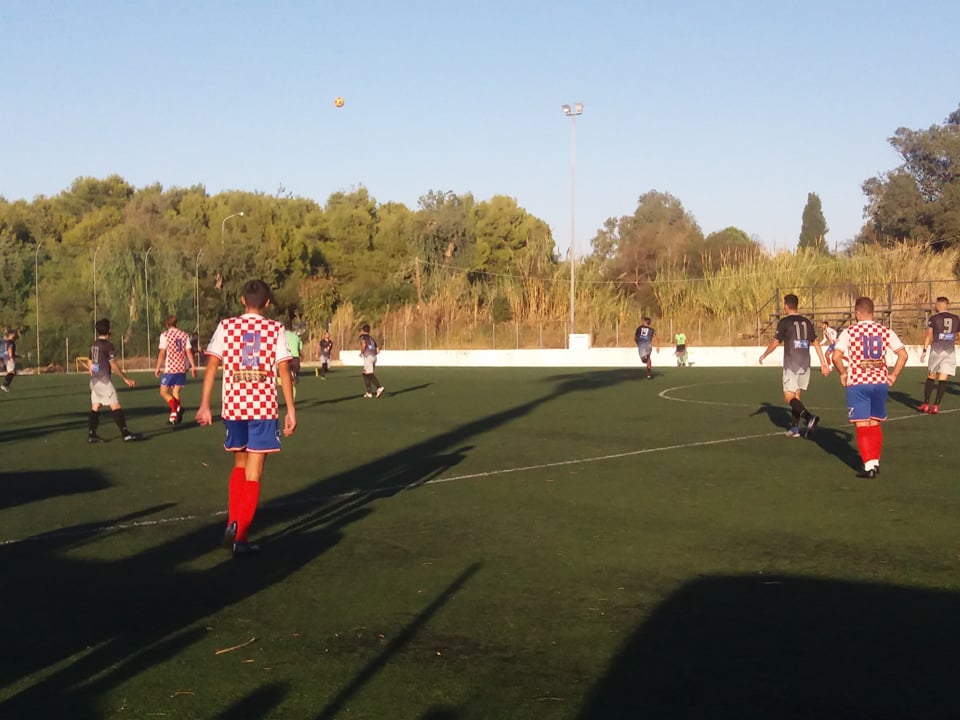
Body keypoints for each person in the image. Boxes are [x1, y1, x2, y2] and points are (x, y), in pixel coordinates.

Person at [197, 279, 296, 557]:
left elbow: (212, 365)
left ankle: (233, 524)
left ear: (242, 300)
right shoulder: (275, 329)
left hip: (234, 406)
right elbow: (284, 370)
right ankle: (240, 538)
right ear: (267, 302)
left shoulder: (226, 326)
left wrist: (205, 405)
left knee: (240, 463)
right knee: (255, 472)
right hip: (262, 407)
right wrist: (290, 409)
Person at [832, 296, 908, 478]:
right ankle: (874, 461)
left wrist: (842, 373)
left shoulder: (850, 332)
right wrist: (894, 375)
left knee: (861, 424)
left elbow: (836, 357)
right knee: (874, 422)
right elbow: (903, 355)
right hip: (879, 382)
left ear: (857, 313)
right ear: (872, 312)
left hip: (858, 382)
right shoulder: (885, 331)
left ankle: (868, 467)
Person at [758, 293, 830, 438]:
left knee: (788, 397)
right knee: (796, 396)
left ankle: (809, 417)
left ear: (786, 306)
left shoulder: (784, 322)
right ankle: (795, 428)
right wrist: (824, 363)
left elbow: (775, 342)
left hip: (791, 364)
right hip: (805, 363)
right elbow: (816, 342)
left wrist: (764, 354)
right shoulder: (806, 321)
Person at [87, 319, 141, 443]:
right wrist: (126, 379)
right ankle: (125, 433)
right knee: (116, 405)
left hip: (94, 381)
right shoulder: (108, 345)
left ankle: (92, 434)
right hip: (104, 382)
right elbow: (113, 365)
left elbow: (89, 362)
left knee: (96, 406)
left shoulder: (94, 345)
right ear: (108, 330)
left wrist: (94, 375)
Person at [918, 296, 960, 414]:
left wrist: (924, 350)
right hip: (950, 351)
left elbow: (929, 335)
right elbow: (959, 335)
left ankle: (926, 404)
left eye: (936, 304)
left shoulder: (934, 318)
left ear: (939, 305)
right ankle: (936, 405)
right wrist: (951, 340)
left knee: (932, 375)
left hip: (936, 350)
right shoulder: (956, 318)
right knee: (943, 377)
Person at [154, 315, 197, 425]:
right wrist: (193, 366)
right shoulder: (184, 335)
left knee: (163, 392)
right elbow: (189, 352)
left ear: (166, 324)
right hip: (182, 368)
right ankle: (173, 417)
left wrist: (158, 367)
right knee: (175, 392)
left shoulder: (165, 335)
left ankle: (176, 409)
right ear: (176, 323)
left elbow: (162, 352)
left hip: (171, 368)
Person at [359, 323, 384, 398]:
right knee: (365, 374)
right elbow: (378, 350)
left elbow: (364, 344)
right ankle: (369, 392)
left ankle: (379, 387)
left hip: (368, 357)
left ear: (362, 330)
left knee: (369, 374)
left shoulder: (362, 336)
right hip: (374, 357)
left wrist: (362, 352)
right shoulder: (371, 338)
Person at [281, 326, 303, 399]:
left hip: (286, 357)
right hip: (295, 358)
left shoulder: (282, 335)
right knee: (293, 377)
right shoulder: (297, 337)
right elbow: (299, 349)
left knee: (284, 375)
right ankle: (293, 379)